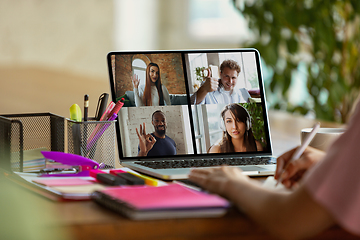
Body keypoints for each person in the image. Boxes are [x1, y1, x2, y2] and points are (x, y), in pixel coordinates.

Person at [189, 100, 360, 239]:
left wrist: (234, 183)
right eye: (229, 121)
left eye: (239, 120)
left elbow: (290, 220)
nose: (234, 125)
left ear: (246, 123)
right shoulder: (217, 148)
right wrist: (332, 167)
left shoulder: (256, 145)